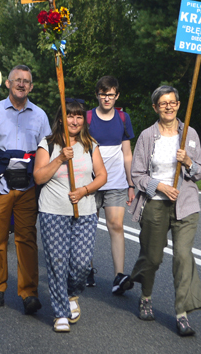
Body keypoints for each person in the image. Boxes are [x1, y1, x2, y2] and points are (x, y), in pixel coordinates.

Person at [128, 85, 201, 336]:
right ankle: (146, 296)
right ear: (155, 107)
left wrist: (188, 162)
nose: (169, 106)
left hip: (186, 205)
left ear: (179, 105)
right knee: (153, 257)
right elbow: (137, 174)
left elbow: (200, 171)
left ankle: (182, 313)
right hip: (155, 203)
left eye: (173, 102)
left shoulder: (190, 134)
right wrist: (159, 185)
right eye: (163, 103)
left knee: (183, 257)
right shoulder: (147, 136)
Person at [0, 64, 51, 314]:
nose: (21, 84)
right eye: (17, 80)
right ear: (8, 84)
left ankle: (29, 292)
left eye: (26, 81)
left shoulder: (40, 115)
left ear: (31, 87)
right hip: (0, 180)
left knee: (26, 238)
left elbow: (46, 149)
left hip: (28, 182)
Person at [33, 99, 107, 333]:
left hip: (84, 211)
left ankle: (72, 293)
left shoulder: (90, 145)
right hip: (53, 210)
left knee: (82, 263)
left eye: (78, 116)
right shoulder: (48, 144)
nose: (74, 121)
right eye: (70, 116)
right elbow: (38, 177)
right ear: (61, 119)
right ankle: (60, 312)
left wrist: (84, 190)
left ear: (83, 121)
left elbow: (102, 176)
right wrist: (60, 159)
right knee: (57, 263)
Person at [87, 76, 135, 293]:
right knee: (87, 227)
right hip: (90, 181)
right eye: (103, 94)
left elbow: (127, 154)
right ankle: (85, 268)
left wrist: (131, 183)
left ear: (117, 96)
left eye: (111, 94)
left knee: (116, 225)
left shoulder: (123, 118)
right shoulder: (87, 118)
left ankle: (119, 275)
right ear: (97, 94)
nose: (107, 98)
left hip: (116, 182)